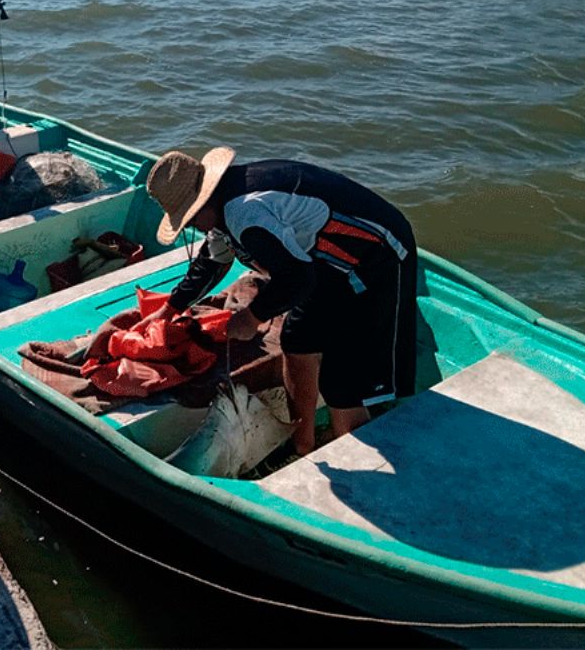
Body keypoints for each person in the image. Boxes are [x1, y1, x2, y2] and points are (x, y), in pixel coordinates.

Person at [140, 148, 417, 455]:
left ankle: (355, 452)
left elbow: (297, 280)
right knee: (296, 340)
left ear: (204, 202)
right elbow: (212, 262)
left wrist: (252, 317)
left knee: (341, 383)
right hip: (321, 263)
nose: (194, 227)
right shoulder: (222, 207)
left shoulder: (245, 212)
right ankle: (304, 445)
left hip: (377, 257)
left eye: (191, 219)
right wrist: (169, 309)